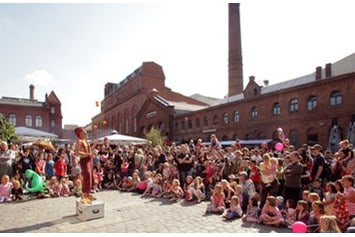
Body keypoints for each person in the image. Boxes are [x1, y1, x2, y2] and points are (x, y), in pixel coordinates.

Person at [74, 127, 97, 204]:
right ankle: (84, 195)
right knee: (87, 175)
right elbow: (77, 152)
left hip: (89, 160)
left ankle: (88, 194)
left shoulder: (85, 141)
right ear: (80, 133)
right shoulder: (79, 141)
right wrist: (88, 154)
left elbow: (89, 151)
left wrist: (94, 145)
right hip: (84, 160)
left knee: (91, 176)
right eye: (84, 131)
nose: (86, 132)